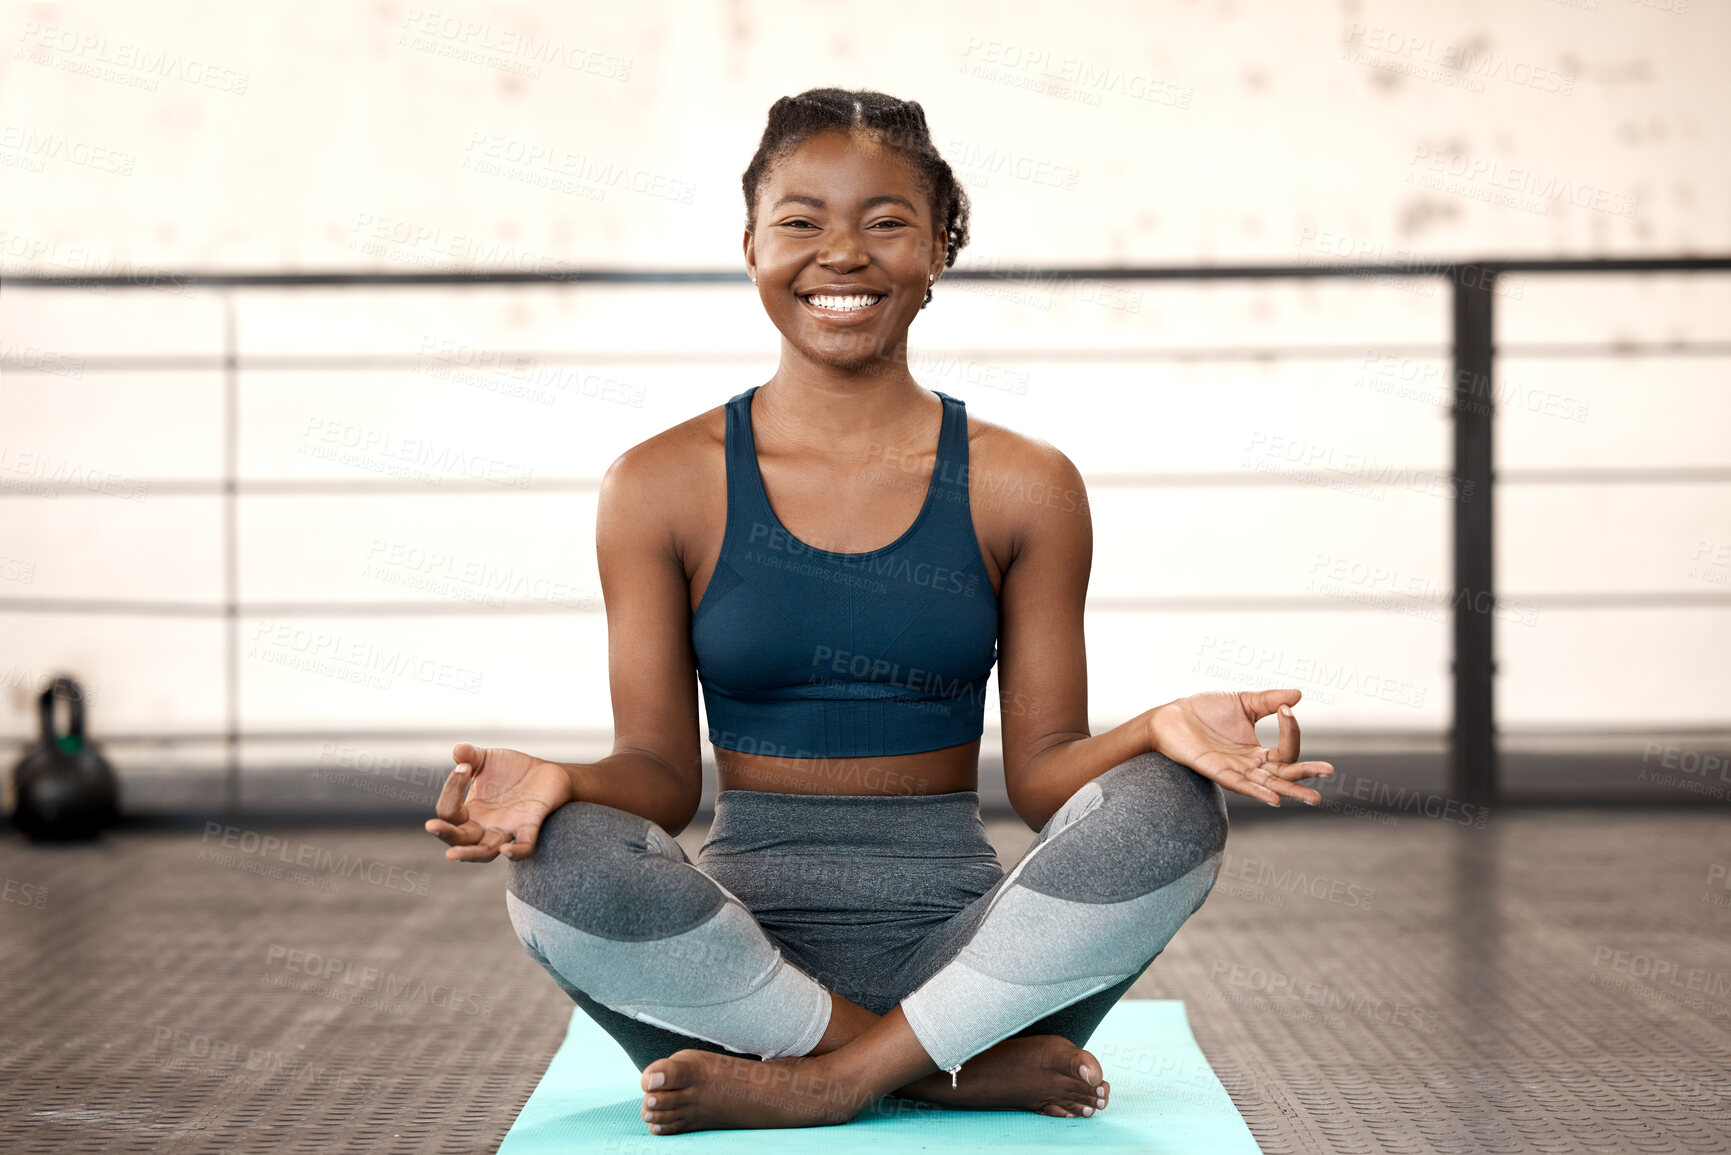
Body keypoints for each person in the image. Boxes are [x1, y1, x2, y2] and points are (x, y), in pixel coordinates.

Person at [425, 87, 1334, 1137]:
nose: (841, 255)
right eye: (801, 221)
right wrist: (565, 783)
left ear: (942, 247)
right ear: (751, 245)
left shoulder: (1024, 485)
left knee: (1174, 805)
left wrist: (1157, 731)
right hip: (738, 972)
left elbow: (1045, 781)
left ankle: (836, 1079)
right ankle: (928, 1068)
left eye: (886, 222)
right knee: (559, 855)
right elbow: (664, 784)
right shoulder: (658, 484)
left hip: (975, 961)